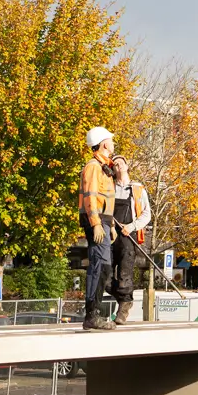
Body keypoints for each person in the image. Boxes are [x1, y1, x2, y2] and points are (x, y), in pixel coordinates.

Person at [78, 125, 118, 330]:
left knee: (104, 266)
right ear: (104, 144)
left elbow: (105, 200)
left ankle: (93, 314)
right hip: (96, 221)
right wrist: (96, 224)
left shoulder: (104, 167)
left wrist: (109, 224)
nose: (113, 143)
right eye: (110, 140)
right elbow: (91, 196)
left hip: (103, 221)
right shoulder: (94, 166)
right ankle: (92, 315)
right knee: (99, 266)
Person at [107, 155, 153, 324]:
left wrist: (132, 226)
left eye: (121, 163)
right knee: (105, 275)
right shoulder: (109, 187)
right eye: (115, 164)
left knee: (125, 274)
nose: (118, 165)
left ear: (127, 166)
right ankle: (123, 297)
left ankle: (124, 308)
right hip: (111, 234)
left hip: (128, 236)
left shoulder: (137, 189)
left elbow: (147, 214)